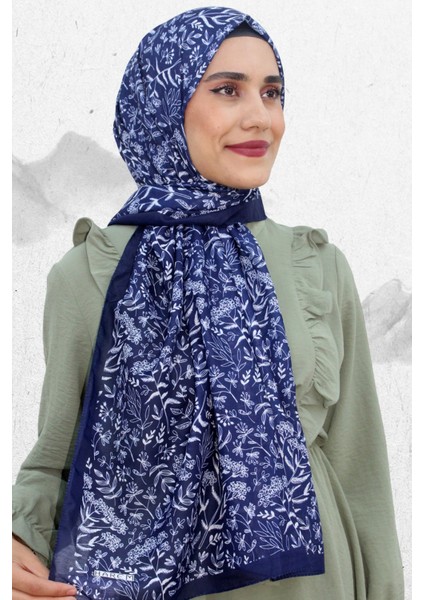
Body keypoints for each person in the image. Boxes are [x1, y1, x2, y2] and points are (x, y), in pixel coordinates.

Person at [12, 6, 404, 600]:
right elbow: (57, 457)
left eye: (272, 93)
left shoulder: (317, 266)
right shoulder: (89, 273)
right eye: (227, 90)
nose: (261, 117)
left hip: (312, 583)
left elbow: (362, 472)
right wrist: (17, 538)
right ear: (164, 108)